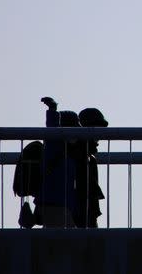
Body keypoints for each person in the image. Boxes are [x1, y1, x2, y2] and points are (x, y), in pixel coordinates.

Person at [38, 97, 79, 228]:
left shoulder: (68, 153)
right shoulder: (54, 146)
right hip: (54, 205)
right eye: (74, 128)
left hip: (61, 206)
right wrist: (52, 110)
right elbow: (52, 130)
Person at [73, 107, 108, 228]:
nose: (99, 136)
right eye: (97, 130)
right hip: (80, 215)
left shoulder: (87, 155)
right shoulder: (80, 155)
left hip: (83, 214)